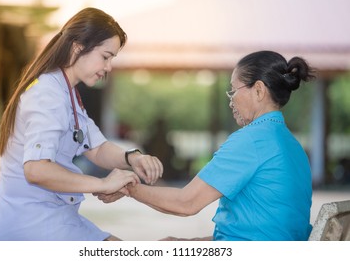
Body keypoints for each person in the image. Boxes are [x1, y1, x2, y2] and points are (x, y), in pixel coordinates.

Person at [99, 50, 315, 241]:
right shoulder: (294, 147)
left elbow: (186, 203)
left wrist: (128, 187)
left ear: (258, 90)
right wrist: (192, 243)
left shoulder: (250, 140)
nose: (231, 100)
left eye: (233, 91)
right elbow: (268, 228)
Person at [0, 7, 163, 241]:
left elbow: (97, 148)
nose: (108, 68)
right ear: (78, 47)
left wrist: (134, 158)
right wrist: (102, 184)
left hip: (53, 216)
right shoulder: (47, 94)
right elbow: (37, 170)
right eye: (105, 56)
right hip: (31, 223)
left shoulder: (67, 93)